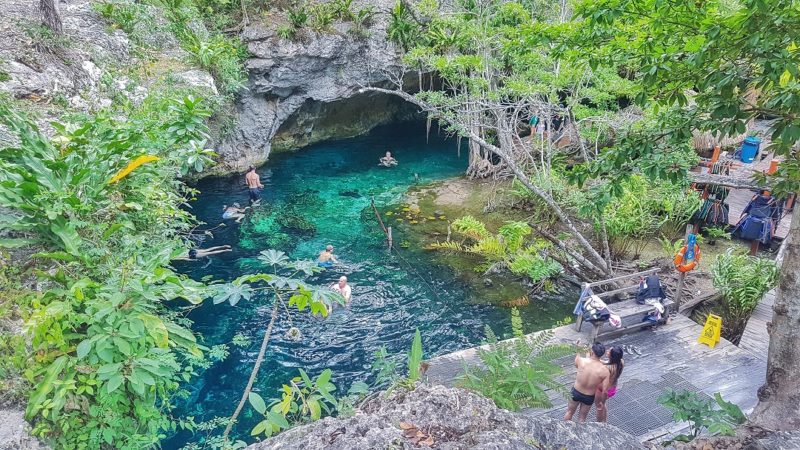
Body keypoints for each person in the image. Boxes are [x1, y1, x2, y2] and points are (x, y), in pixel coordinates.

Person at [564, 341, 609, 423]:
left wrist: (578, 348)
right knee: (582, 418)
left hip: (576, 392)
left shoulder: (582, 361)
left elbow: (576, 363)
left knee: (569, 412)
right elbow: (604, 389)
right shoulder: (605, 371)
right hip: (589, 396)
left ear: (592, 351)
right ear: (602, 355)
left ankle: (563, 429)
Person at [595, 346, 625, 423]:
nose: (607, 351)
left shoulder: (607, 368)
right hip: (612, 389)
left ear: (611, 356)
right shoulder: (621, 362)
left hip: (604, 390)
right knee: (603, 405)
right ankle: (605, 421)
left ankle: (599, 424)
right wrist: (599, 360)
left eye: (609, 351)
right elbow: (606, 362)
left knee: (599, 407)